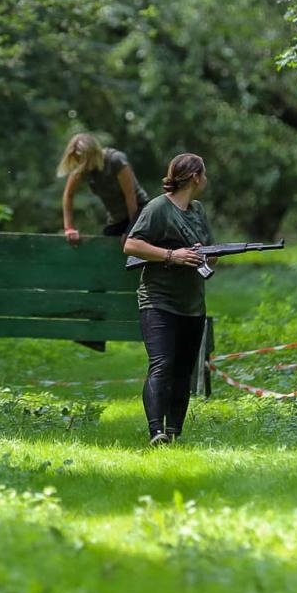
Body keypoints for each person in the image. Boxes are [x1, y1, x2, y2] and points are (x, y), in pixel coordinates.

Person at [122, 153, 213, 447]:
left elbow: (211, 252)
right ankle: (156, 431)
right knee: (162, 364)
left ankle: (174, 432)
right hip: (158, 301)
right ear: (196, 177)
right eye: (204, 173)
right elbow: (131, 245)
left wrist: (202, 254)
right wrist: (172, 255)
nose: (206, 178)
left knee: (183, 370)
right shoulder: (158, 208)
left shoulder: (198, 210)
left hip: (192, 304)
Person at [57, 132, 148, 243]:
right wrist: (69, 228)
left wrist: (132, 231)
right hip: (117, 219)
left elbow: (130, 195)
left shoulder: (115, 160)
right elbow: (68, 195)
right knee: (106, 244)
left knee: (134, 244)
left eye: (84, 160)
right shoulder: (82, 168)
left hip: (139, 212)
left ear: (93, 153)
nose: (82, 164)